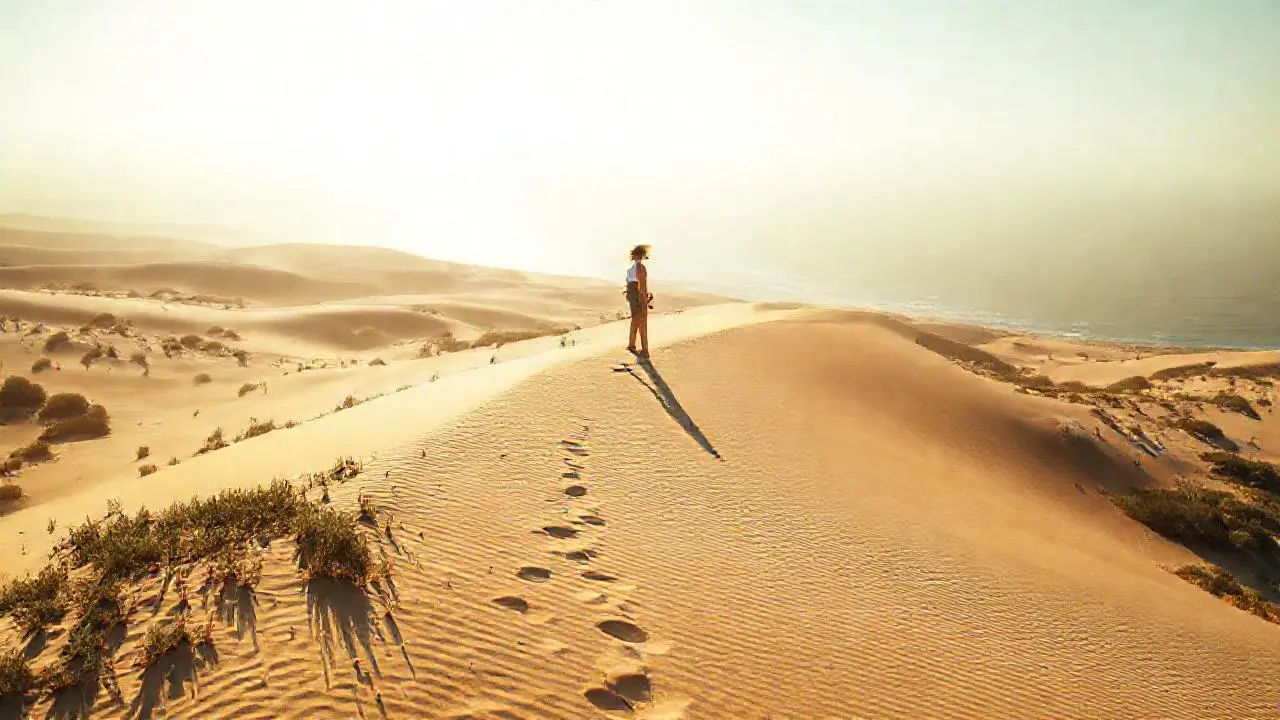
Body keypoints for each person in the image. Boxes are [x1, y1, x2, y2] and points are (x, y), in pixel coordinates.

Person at [625, 244, 651, 357]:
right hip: (638, 296)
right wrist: (644, 299)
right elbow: (642, 285)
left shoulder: (630, 270)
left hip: (631, 296)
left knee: (635, 320)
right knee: (642, 322)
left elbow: (628, 285)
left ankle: (631, 345)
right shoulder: (641, 267)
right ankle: (645, 350)